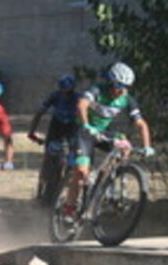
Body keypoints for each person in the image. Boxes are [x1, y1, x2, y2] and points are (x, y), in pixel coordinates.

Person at [63, 62, 155, 220]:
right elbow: (82, 105)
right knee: (81, 172)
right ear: (110, 82)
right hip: (85, 133)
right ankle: (69, 208)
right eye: (118, 86)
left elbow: (141, 124)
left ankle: (105, 180)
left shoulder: (127, 99)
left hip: (103, 133)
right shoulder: (97, 90)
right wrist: (85, 124)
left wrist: (148, 147)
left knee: (123, 144)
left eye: (125, 87)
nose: (121, 90)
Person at [28, 74, 81, 202]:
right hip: (56, 129)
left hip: (72, 129)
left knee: (74, 160)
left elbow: (39, 113)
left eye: (67, 91)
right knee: (49, 158)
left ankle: (68, 184)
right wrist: (32, 131)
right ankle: (43, 185)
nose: (65, 94)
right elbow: (39, 113)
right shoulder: (55, 96)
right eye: (63, 91)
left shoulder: (78, 98)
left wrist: (32, 132)